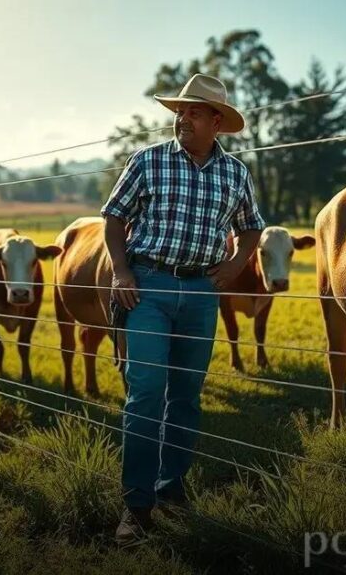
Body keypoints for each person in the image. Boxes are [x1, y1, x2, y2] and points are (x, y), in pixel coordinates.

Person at [100, 73, 265, 546]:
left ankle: (170, 488)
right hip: (147, 287)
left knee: (186, 396)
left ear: (217, 121)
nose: (183, 120)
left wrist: (234, 265)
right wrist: (121, 272)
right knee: (146, 392)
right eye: (180, 112)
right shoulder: (148, 162)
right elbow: (113, 218)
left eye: (194, 112)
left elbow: (252, 227)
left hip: (200, 294)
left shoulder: (235, 173)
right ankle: (136, 506)